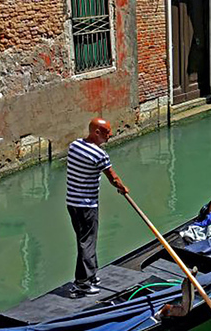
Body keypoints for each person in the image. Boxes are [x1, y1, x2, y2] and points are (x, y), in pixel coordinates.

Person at [66, 118, 128, 298]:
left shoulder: (75, 145)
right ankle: (82, 284)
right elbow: (113, 178)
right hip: (86, 205)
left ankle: (91, 275)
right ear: (97, 133)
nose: (110, 136)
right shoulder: (100, 155)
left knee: (84, 240)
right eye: (107, 132)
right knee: (87, 242)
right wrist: (123, 188)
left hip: (72, 203)